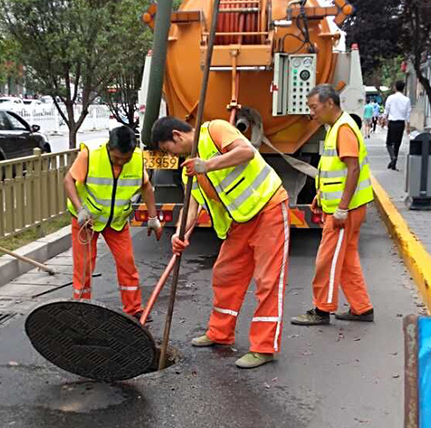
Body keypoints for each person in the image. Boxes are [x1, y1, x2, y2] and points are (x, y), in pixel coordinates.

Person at [151, 116, 290, 369]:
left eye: (166, 148)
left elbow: (246, 151)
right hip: (239, 221)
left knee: (267, 280)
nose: (169, 155)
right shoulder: (189, 171)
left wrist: (207, 165)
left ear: (177, 136)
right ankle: (220, 332)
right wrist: (179, 233)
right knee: (225, 274)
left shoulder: (215, 130)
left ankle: (263, 348)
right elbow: (191, 207)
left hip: (268, 207)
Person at [291, 84, 374, 327]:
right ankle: (362, 308)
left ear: (329, 104)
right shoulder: (336, 127)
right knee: (346, 260)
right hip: (347, 208)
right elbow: (334, 170)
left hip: (345, 211)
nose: (312, 113)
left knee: (326, 261)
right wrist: (321, 194)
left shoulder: (343, 129)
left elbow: (353, 169)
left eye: (314, 107)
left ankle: (322, 309)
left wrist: (341, 209)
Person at [63, 125, 161, 319]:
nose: (121, 163)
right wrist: (80, 209)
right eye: (116, 159)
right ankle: (82, 308)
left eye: (125, 159)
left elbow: (146, 187)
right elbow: (68, 180)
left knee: (127, 263)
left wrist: (153, 218)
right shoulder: (90, 155)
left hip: (117, 221)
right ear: (109, 148)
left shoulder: (137, 158)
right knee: (83, 267)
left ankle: (134, 309)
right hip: (87, 220)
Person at [384, 80, 411, 170]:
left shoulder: (390, 98)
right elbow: (408, 114)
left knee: (389, 143)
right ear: (403, 88)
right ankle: (394, 163)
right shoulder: (407, 100)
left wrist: (383, 119)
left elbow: (386, 110)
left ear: (395, 87)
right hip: (401, 123)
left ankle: (393, 157)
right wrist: (408, 126)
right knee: (397, 144)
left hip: (392, 123)